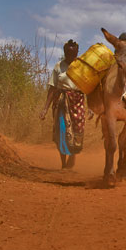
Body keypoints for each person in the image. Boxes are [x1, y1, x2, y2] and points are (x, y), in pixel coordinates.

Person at [39, 39, 86, 169]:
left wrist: (92, 108)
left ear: (77, 53)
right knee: (62, 130)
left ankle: (72, 156)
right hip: (61, 101)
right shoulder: (59, 66)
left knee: (77, 131)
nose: (70, 56)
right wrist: (45, 108)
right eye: (68, 53)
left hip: (78, 102)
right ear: (65, 53)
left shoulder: (82, 67)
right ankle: (63, 163)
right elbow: (52, 88)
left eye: (73, 54)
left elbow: (88, 87)